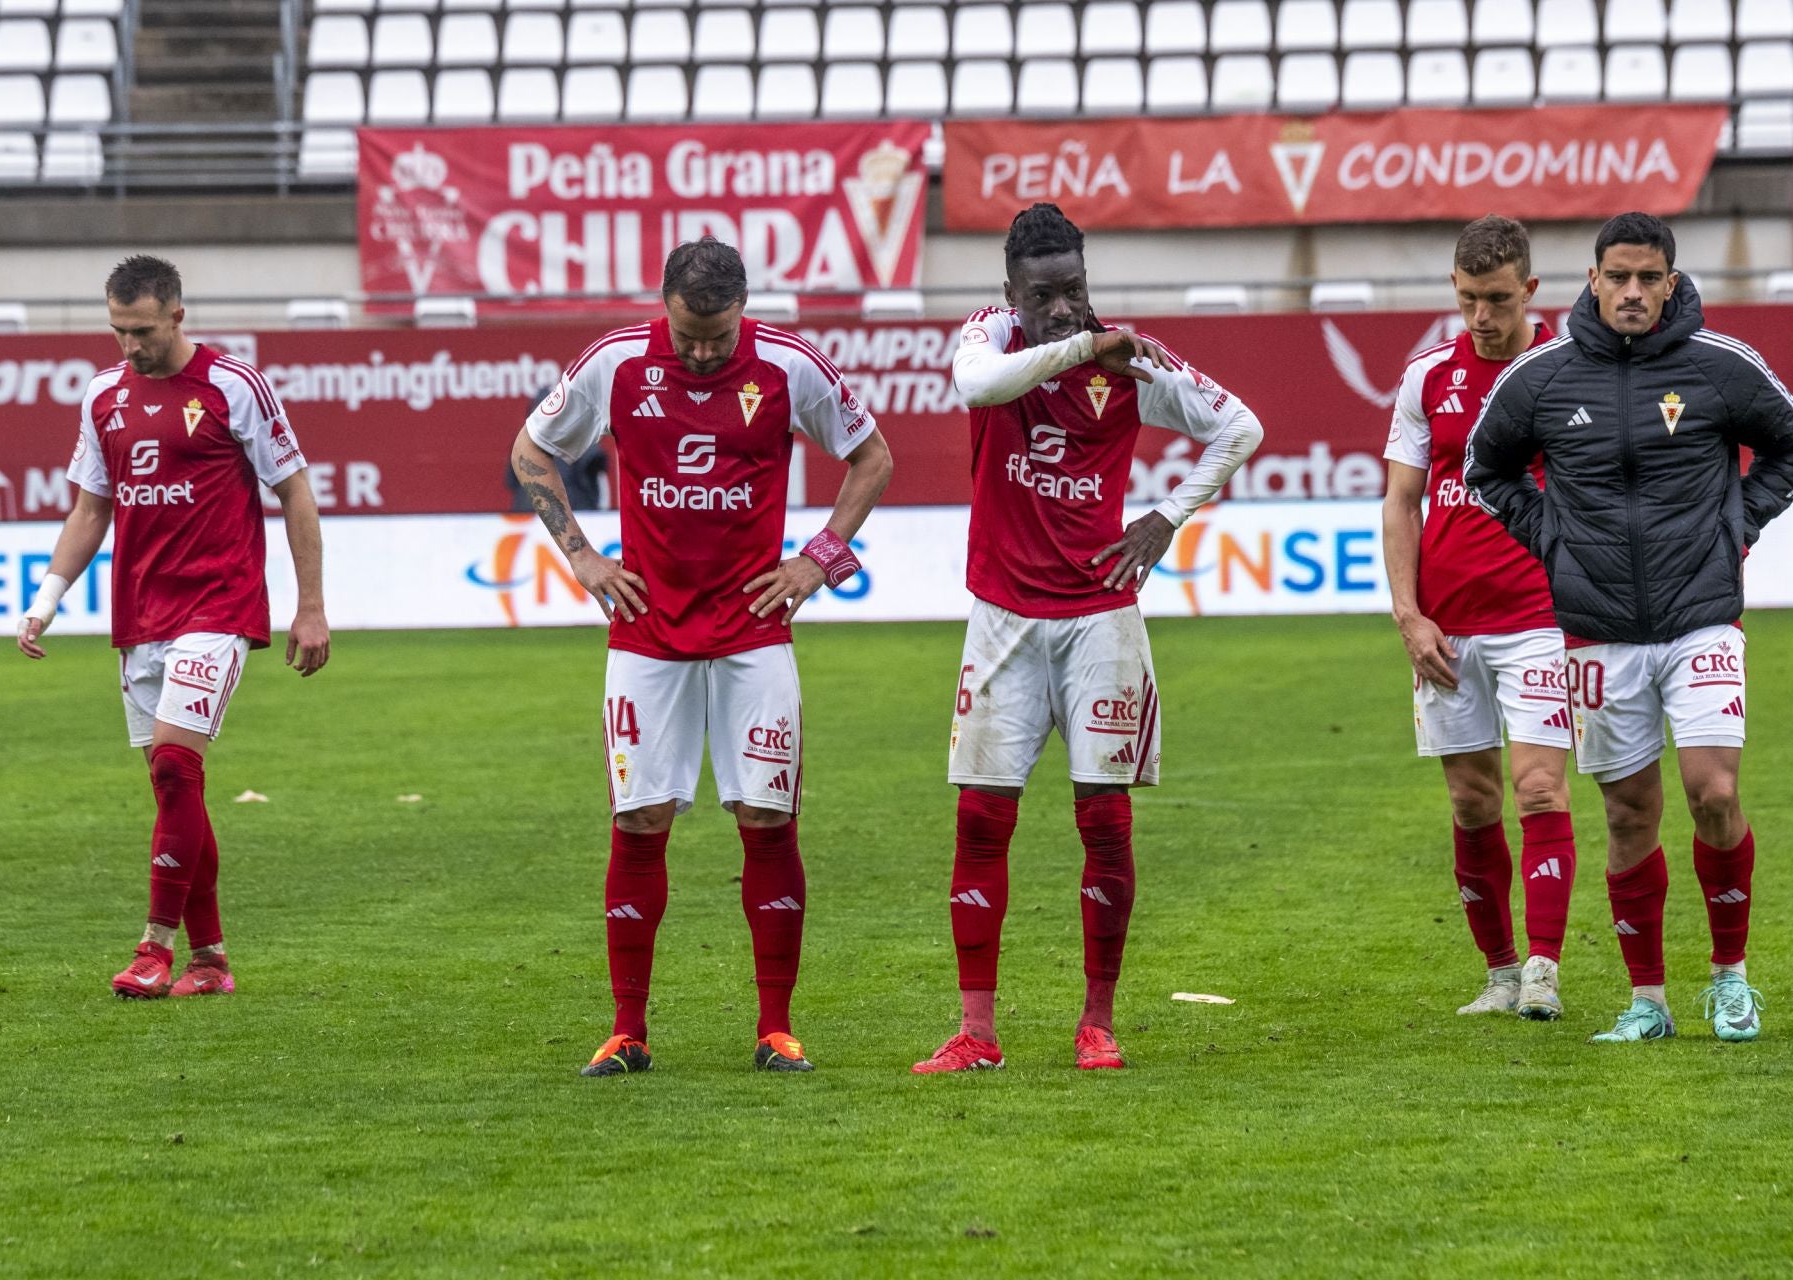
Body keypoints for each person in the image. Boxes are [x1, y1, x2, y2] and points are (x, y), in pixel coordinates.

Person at [511, 237, 893, 1077]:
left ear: (743, 310)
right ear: (666, 305)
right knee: (639, 821)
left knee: (766, 818)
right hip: (647, 632)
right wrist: (580, 553)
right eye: (688, 335)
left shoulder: (791, 366)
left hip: (754, 631)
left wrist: (817, 559)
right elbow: (530, 450)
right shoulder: (615, 363)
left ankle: (776, 1028)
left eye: (719, 337)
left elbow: (873, 457)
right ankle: (627, 1030)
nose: (703, 352)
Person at [913, 203, 1264, 1074]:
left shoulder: (1133, 358)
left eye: (1076, 290)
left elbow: (1242, 426)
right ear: (1010, 293)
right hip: (1002, 618)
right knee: (980, 819)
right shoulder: (990, 336)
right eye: (1046, 294)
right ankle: (978, 1032)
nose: (1067, 307)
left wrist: (1167, 516)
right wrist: (1080, 349)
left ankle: (1097, 1023)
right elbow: (976, 388)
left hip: (1099, 619)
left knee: (1104, 820)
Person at [1465, 212, 1793, 1043]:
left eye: (1648, 278)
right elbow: (1488, 467)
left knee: (1714, 793)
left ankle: (1730, 980)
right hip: (1596, 629)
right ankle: (1648, 1003)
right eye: (1617, 276)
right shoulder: (1540, 377)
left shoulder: (1719, 366)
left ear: (1670, 280)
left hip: (1700, 616)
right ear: (1592, 280)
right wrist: (1550, 538)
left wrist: (1738, 525)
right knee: (1629, 815)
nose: (1632, 292)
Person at [18, 254, 330, 999]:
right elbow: (91, 509)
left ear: (178, 316)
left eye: (144, 330)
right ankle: (211, 962)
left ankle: (155, 950)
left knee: (172, 766)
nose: (131, 346)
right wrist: (48, 596)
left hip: (218, 606)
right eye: (119, 331)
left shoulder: (232, 385)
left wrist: (310, 605)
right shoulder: (103, 397)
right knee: (175, 790)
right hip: (139, 613)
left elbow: (295, 491)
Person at [1381, 215, 1578, 1021]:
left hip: (1540, 613)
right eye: (1467, 300)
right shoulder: (1428, 376)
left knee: (1538, 788)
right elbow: (1400, 499)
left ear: (1530, 291)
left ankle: (1543, 969)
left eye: (1496, 299)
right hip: (1447, 625)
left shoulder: (1571, 368)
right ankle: (1498, 974)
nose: (1481, 317)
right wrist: (1408, 613)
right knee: (1470, 801)